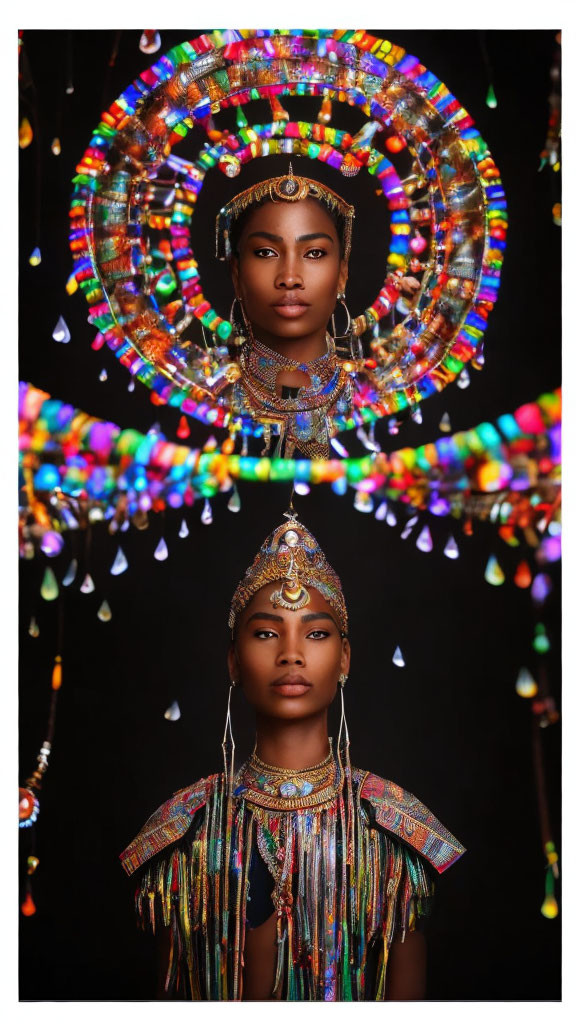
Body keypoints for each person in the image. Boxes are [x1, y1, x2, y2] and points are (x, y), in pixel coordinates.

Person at [120, 509, 464, 1001]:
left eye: (316, 633)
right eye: (265, 633)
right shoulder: (185, 835)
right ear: (233, 660)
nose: (292, 653)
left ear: (344, 657)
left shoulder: (393, 836)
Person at [197, 165, 421, 459]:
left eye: (314, 253)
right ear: (237, 274)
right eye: (265, 252)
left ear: (342, 273)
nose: (290, 277)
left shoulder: (385, 402)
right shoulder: (201, 397)